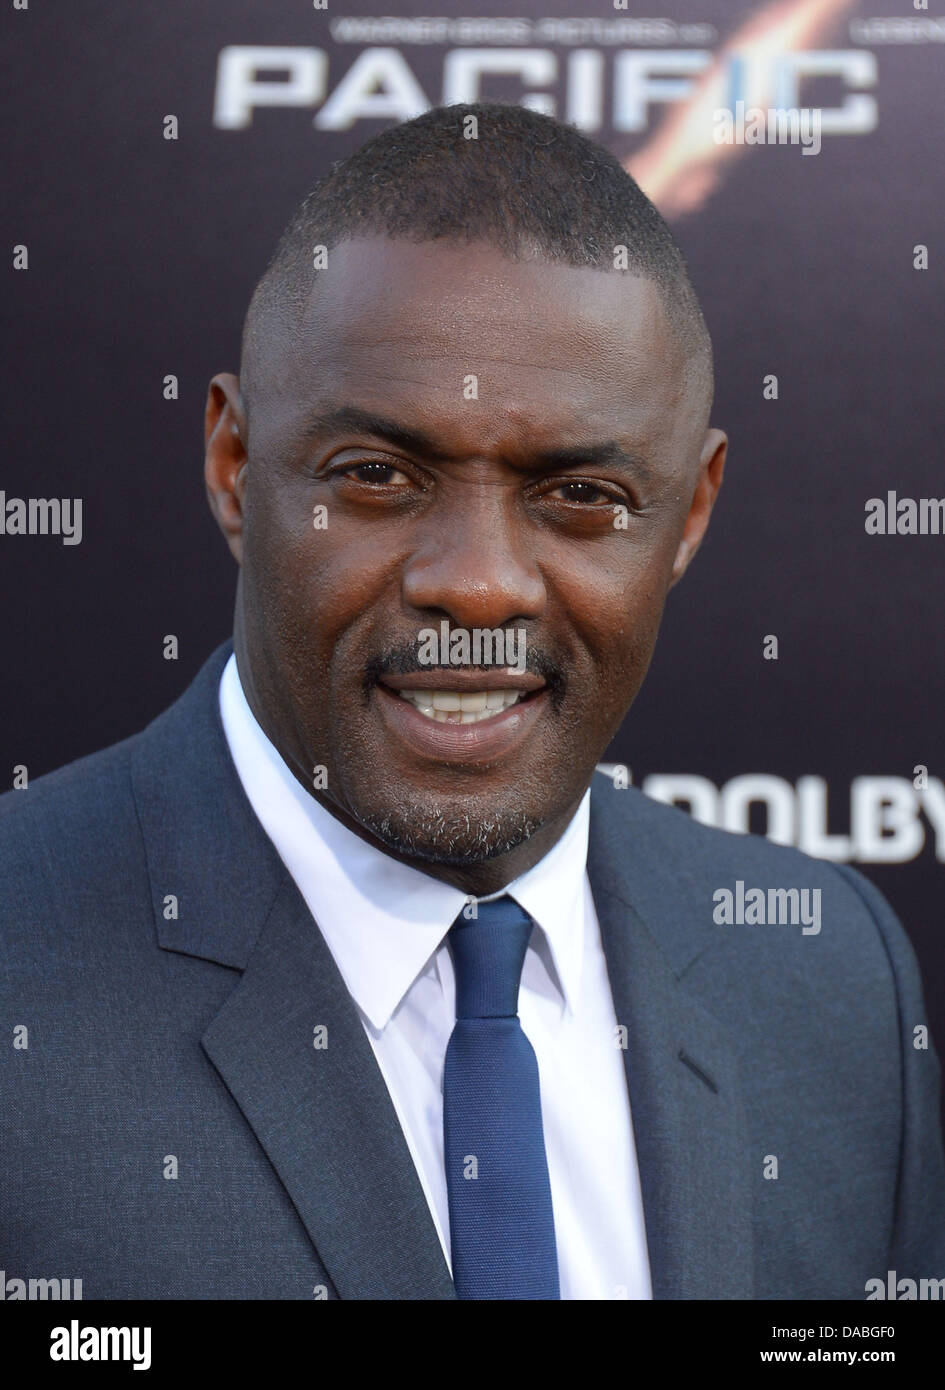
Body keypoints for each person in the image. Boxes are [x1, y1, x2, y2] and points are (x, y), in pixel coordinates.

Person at [1, 102, 942, 1301]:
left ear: (689, 515)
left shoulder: (828, 979)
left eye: (581, 492)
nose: (478, 583)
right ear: (236, 467)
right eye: (379, 476)